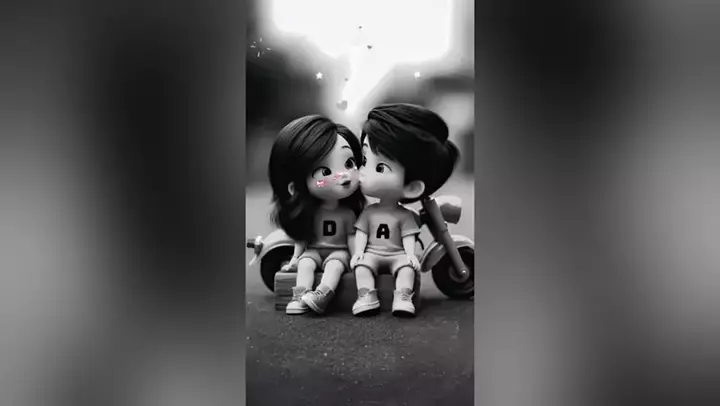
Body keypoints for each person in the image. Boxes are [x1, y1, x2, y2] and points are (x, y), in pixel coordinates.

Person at [350, 104, 459, 317]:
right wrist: (359, 253)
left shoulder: (404, 215)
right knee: (362, 267)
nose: (362, 170)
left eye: (380, 167)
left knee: (407, 268)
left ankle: (403, 297)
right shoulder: (369, 212)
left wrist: (410, 255)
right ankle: (366, 296)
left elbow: (409, 236)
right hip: (372, 254)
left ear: (411, 188)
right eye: (364, 160)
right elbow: (361, 233)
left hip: (397, 254)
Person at [268, 115, 366, 315]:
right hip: (313, 250)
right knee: (305, 264)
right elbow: (302, 236)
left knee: (334, 267)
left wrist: (356, 255)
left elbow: (351, 237)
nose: (343, 175)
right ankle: (299, 297)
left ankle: (322, 295)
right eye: (325, 171)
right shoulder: (311, 213)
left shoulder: (347, 214)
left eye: (349, 163)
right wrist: (296, 257)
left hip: (338, 252)